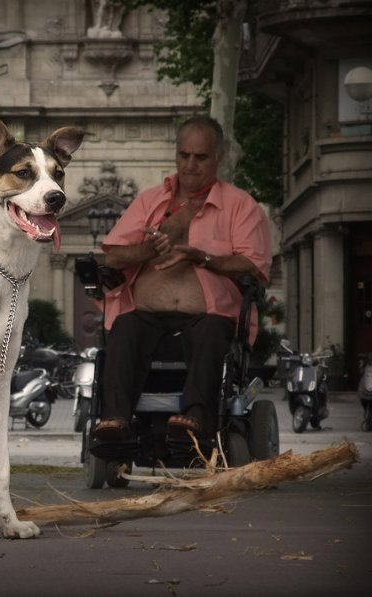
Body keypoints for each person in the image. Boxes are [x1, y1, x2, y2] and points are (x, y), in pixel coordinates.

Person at [94, 115, 272, 440]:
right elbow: (113, 256)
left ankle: (196, 417)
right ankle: (115, 419)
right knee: (124, 326)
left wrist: (202, 257)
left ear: (219, 157)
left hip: (209, 315)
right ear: (176, 155)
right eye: (183, 155)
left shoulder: (241, 207)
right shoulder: (150, 201)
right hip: (147, 314)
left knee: (211, 330)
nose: (190, 165)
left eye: (200, 157)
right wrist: (151, 249)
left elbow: (253, 265)